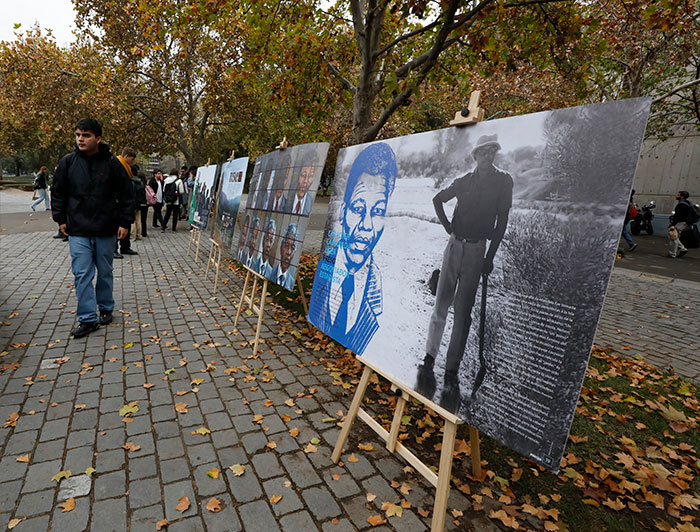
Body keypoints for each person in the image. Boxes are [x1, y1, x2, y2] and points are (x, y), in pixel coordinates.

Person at [416, 134, 513, 411]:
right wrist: (448, 227)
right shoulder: (464, 182)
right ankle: (429, 359)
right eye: (482, 151)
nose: (487, 155)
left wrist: (490, 257)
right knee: (441, 305)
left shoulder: (503, 182)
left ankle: (451, 370)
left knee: (462, 311)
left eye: (492, 150)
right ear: (475, 155)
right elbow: (438, 199)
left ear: (495, 153)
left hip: (476, 250)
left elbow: (502, 221)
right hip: (454, 246)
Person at [308, 142, 397, 354]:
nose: (367, 225)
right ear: (343, 211)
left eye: (377, 211)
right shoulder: (324, 269)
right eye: (358, 209)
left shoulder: (377, 291)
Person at [51, 118, 135, 338]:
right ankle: (88, 319)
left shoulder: (112, 163)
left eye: (86, 135)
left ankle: (105, 307)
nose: (80, 139)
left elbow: (127, 194)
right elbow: (58, 192)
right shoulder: (68, 163)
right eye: (78, 134)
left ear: (98, 138)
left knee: (105, 271)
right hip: (77, 229)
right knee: (82, 274)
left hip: (105, 228)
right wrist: (60, 219)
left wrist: (125, 222)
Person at [115, 147, 138, 258]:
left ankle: (125, 246)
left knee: (126, 224)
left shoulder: (125, 167)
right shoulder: (117, 165)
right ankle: (113, 249)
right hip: (117, 202)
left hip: (125, 201)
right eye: (132, 159)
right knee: (116, 226)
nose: (132, 162)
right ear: (126, 156)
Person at [291, 150, 319, 216]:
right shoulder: (285, 201)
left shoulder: (311, 204)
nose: (306, 181)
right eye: (303, 175)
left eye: (310, 176)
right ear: (297, 174)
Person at [273, 223, 298, 290]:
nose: (289, 252)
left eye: (292, 248)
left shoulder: (292, 282)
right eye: (286, 246)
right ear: (281, 249)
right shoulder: (269, 273)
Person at [668, 190, 693, 258]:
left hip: (680, 223)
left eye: (678, 195)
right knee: (675, 237)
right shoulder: (686, 203)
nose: (676, 196)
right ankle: (682, 249)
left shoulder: (681, 205)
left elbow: (678, 216)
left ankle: (673, 253)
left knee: (673, 236)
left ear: (681, 197)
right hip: (684, 223)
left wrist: (673, 224)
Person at [130, 164, 146, 240]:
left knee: (132, 220)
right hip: (139, 202)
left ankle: (133, 235)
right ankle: (138, 234)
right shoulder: (140, 182)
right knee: (138, 219)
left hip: (132, 202)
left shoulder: (131, 181)